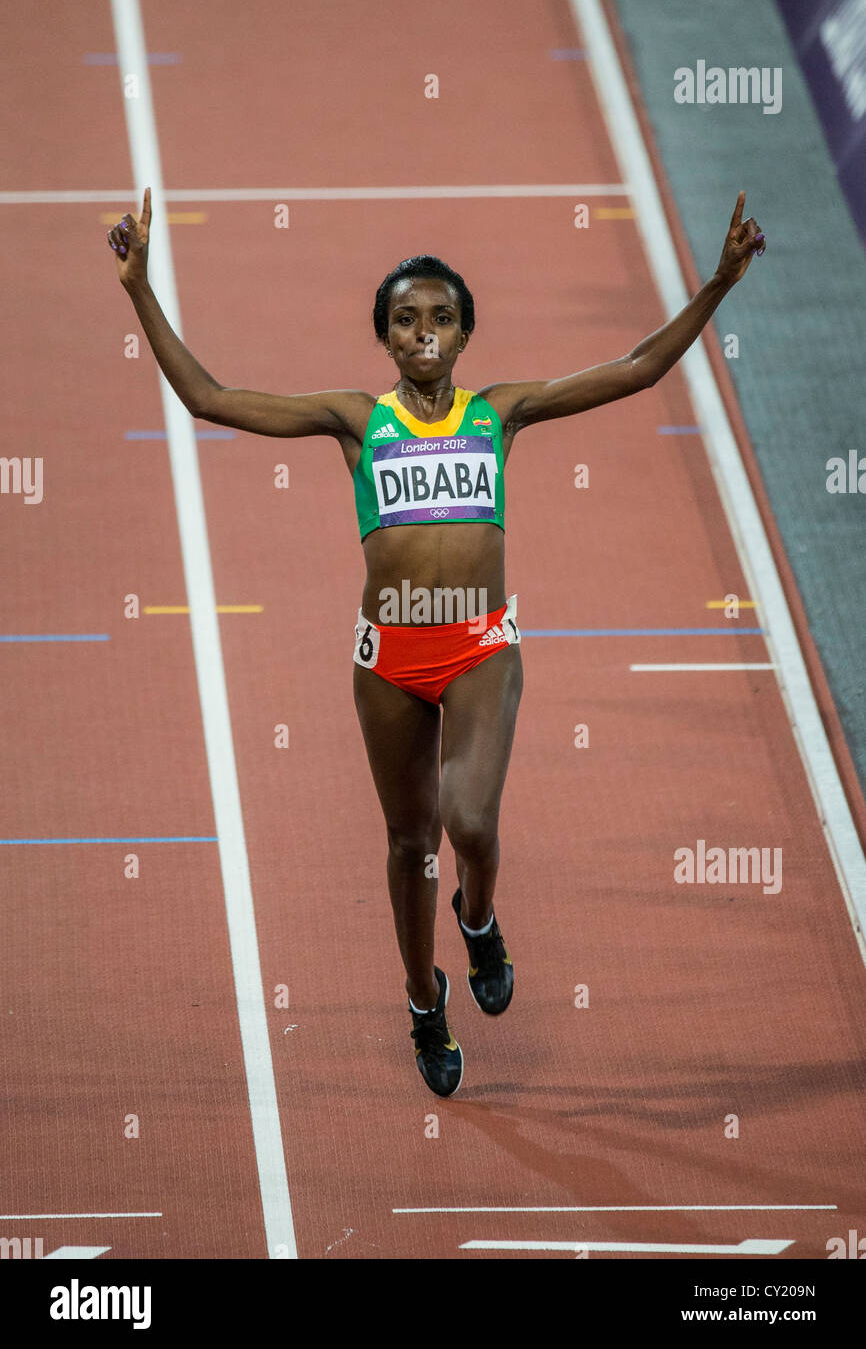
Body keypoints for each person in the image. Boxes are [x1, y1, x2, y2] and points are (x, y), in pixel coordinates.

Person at [107, 188, 765, 1098]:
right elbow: (209, 398)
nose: (425, 331)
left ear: (465, 335)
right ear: (385, 338)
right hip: (390, 660)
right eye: (407, 318)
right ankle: (424, 1000)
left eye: (443, 317)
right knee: (409, 839)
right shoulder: (354, 419)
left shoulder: (501, 413)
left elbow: (640, 366)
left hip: (479, 646)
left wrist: (720, 282)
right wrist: (141, 288)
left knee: (472, 822)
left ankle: (481, 918)